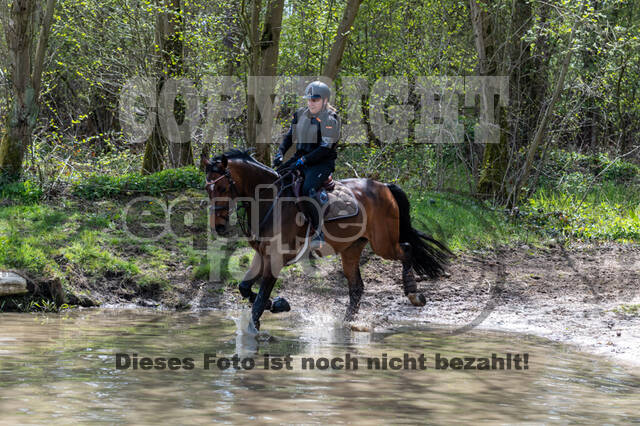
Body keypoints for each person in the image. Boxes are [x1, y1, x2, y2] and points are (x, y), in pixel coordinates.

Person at [272, 81, 341, 250]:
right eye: (309, 99)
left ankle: (319, 232)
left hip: (321, 162)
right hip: (300, 157)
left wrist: (304, 161)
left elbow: (325, 148)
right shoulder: (300, 114)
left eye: (315, 100)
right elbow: (289, 137)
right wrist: (280, 152)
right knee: (276, 178)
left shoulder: (331, 119)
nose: (310, 103)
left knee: (307, 189)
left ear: (325, 101)